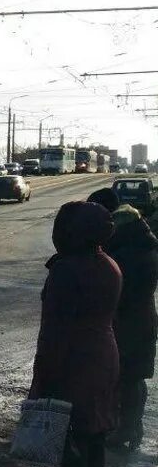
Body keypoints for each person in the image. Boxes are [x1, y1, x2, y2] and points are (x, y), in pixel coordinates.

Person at [28, 201, 121, 467]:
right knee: (94, 431)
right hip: (104, 355)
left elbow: (55, 330)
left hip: (73, 360)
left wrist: (42, 380)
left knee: (70, 434)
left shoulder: (67, 270)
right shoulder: (108, 263)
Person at [89, 187, 158, 451]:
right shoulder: (138, 240)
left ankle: (126, 431)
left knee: (127, 379)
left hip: (130, 324)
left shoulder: (127, 250)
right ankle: (128, 429)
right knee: (130, 379)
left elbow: (119, 290)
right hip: (138, 322)